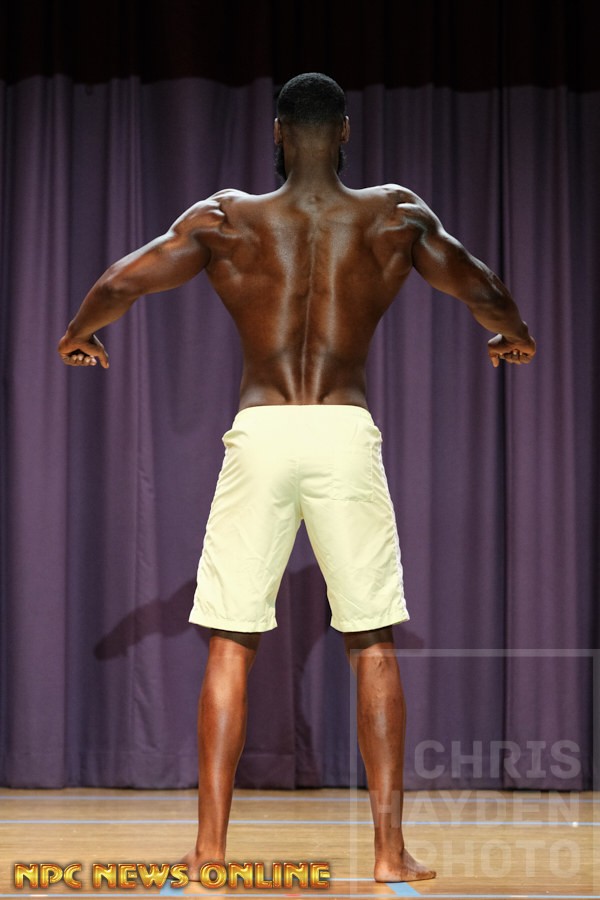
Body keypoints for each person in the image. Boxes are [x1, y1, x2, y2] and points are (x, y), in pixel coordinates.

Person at [58, 72, 536, 883]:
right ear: (344, 131)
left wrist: (80, 334)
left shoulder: (227, 218)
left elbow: (121, 282)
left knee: (230, 640)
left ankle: (210, 851)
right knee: (372, 639)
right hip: (343, 431)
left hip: (263, 431)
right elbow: (482, 286)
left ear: (278, 133)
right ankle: (388, 852)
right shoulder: (393, 215)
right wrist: (512, 334)